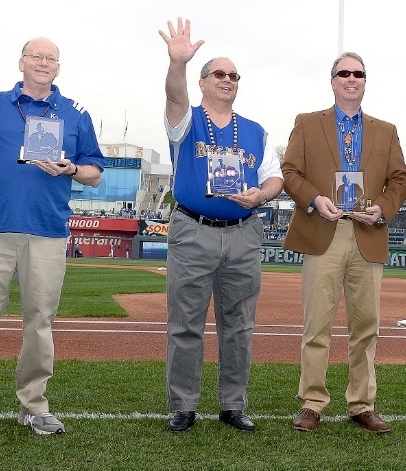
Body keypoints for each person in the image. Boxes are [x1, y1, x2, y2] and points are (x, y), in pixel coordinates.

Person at [0, 38, 105, 439]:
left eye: (51, 58)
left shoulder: (75, 113)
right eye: (37, 56)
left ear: (58, 68)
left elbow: (95, 171)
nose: (44, 63)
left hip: (46, 231)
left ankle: (33, 406)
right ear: (21, 63)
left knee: (40, 324)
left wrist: (70, 170)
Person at [159, 18, 283, 434]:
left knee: (239, 325)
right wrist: (177, 63)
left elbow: (274, 176)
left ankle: (233, 404)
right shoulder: (186, 121)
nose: (227, 80)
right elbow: (173, 96)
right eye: (219, 74)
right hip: (194, 229)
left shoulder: (255, 130)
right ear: (202, 81)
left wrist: (262, 196)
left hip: (245, 232)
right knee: (186, 323)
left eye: (233, 75)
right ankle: (183, 405)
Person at [281, 51, 406, 434]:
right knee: (316, 324)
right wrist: (314, 199)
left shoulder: (385, 130)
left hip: (367, 231)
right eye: (344, 73)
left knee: (366, 325)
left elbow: (399, 180)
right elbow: (290, 172)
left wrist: (383, 209)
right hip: (324, 230)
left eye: (358, 74)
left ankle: (362, 404)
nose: (351, 79)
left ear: (365, 82)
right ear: (333, 80)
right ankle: (312, 402)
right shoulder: (307, 123)